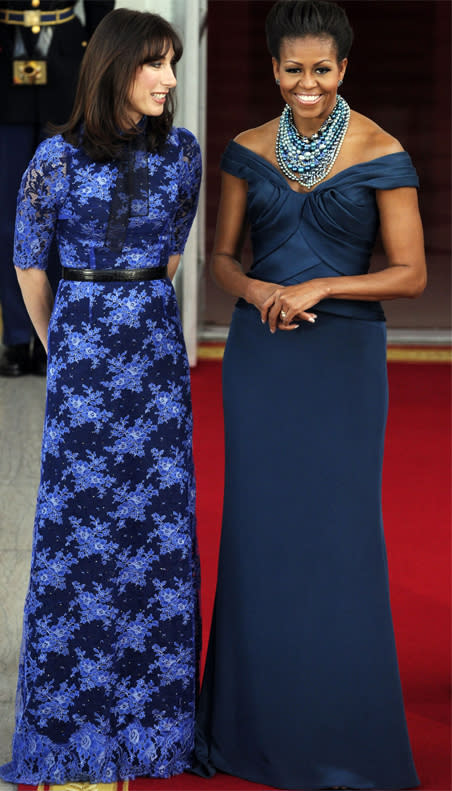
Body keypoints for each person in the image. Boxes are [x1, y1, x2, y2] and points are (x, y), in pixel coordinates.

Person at [194, 1, 426, 789]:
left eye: (322, 69)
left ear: (345, 69)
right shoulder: (245, 150)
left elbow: (412, 272)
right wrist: (255, 287)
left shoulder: (381, 150)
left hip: (344, 362)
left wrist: (323, 283)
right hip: (262, 361)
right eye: (293, 69)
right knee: (259, 537)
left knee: (339, 540)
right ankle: (248, 732)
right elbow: (221, 259)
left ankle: (341, 737)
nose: (308, 84)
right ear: (272, 69)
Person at [0, 8, 202, 785]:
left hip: (153, 358)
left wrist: (136, 315)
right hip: (81, 357)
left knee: (154, 532)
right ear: (115, 66)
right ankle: (70, 724)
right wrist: (65, 344)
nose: (170, 79)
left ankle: (152, 721)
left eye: (174, 63)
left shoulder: (183, 154)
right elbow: (27, 263)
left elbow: (173, 252)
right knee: (79, 532)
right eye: (156, 63)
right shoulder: (54, 158)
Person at [0, 0, 113, 376]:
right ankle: (16, 336)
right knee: (9, 217)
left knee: (66, 217)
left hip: (67, 72)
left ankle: (55, 334)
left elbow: (100, 9)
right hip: (2, 66)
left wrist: (99, 73)